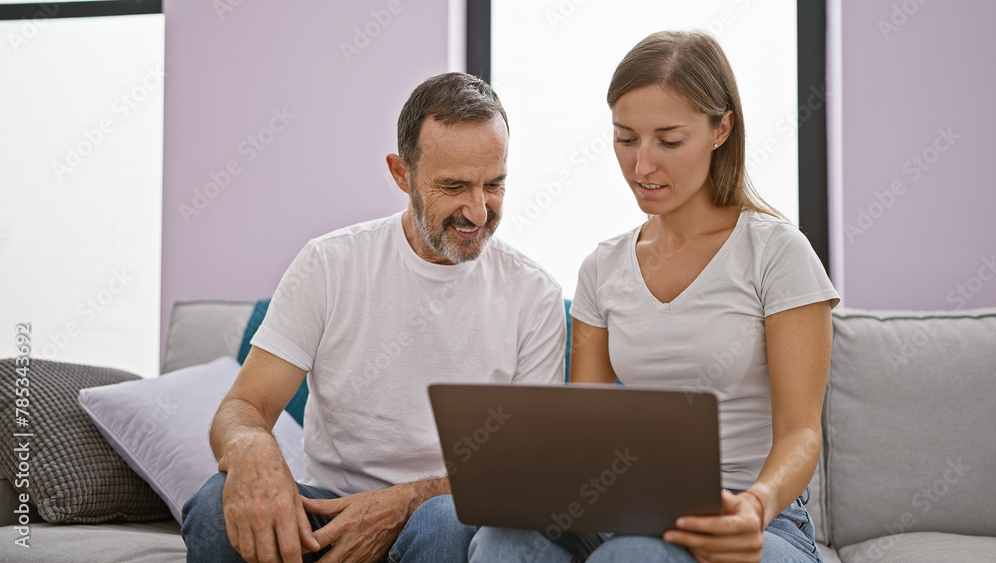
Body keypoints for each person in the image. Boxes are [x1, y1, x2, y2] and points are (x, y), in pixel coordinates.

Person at [468, 30, 839, 563]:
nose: (642, 166)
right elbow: (586, 434)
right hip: (632, 511)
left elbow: (802, 434)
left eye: (668, 140)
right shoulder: (602, 268)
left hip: (758, 519)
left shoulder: (776, 252)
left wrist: (756, 506)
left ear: (721, 129)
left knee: (635, 555)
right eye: (625, 138)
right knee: (503, 540)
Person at [181, 72, 567, 563]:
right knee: (217, 501)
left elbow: (526, 471)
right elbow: (245, 404)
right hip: (324, 520)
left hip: (442, 525)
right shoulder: (330, 264)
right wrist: (249, 445)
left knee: (448, 519)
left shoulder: (533, 296)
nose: (477, 210)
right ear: (401, 174)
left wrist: (398, 506)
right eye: (454, 186)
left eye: (494, 185)